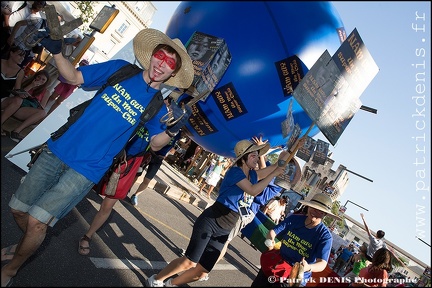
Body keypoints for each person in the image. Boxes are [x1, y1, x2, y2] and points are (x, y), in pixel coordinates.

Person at [0, 28, 194, 287]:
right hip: (59, 149)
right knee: (17, 208)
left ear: (172, 73)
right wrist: (57, 53)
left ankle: (11, 270)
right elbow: (75, 76)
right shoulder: (122, 70)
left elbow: (157, 144)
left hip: (87, 169)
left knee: (37, 222)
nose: (161, 64)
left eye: (170, 63)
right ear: (152, 56)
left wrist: (171, 130)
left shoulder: (158, 105)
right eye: (160, 56)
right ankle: (25, 245)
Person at [145, 138, 289, 287]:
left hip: (226, 228)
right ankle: (156, 279)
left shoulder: (252, 174)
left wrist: (291, 150)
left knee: (202, 272)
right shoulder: (235, 172)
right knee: (189, 262)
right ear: (243, 158)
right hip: (212, 220)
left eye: (257, 155)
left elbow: (273, 168)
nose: (257, 158)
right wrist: (274, 173)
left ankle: (171, 283)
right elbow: (253, 190)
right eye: (253, 155)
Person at [252, 193, 341, 287]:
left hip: (293, 277)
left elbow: (322, 264)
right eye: (313, 208)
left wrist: (308, 267)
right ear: (308, 207)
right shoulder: (294, 219)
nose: (315, 212)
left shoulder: (325, 236)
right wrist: (270, 242)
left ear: (325, 214)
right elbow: (272, 232)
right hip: (275, 264)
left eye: (320, 211)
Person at [129, 129, 181, 206]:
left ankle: (135, 195)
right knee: (136, 174)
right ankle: (127, 189)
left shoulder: (179, 133)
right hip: (149, 154)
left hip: (158, 159)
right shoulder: (166, 127)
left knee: (147, 180)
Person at [1, 69, 50, 142]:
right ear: (35, 76)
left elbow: (41, 108)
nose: (40, 80)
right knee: (18, 100)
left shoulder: (46, 92)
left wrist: (35, 101)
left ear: (46, 82)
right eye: (39, 77)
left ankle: (16, 131)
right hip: (13, 103)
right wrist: (31, 85)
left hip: (24, 110)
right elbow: (17, 93)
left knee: (43, 113)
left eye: (43, 79)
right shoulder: (26, 81)